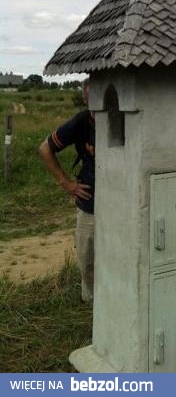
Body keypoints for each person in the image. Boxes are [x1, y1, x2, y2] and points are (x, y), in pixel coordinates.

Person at [39, 79, 95, 303]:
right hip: (90, 203)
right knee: (87, 258)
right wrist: (67, 184)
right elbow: (45, 149)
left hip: (120, 203)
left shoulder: (120, 117)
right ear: (85, 97)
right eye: (91, 95)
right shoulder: (81, 122)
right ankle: (91, 302)